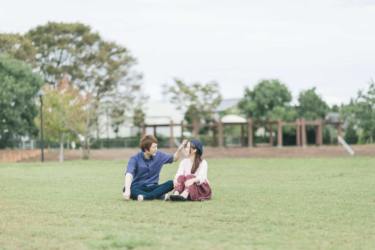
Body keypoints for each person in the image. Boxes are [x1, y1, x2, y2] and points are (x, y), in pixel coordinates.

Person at [122, 135, 186, 201]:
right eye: (154, 147)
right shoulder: (134, 158)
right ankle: (159, 196)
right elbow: (129, 174)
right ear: (146, 149)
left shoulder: (159, 155)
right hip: (138, 187)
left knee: (172, 183)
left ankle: (146, 197)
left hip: (153, 187)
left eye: (156, 146)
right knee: (126, 188)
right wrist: (127, 190)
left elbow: (174, 158)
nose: (156, 149)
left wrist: (179, 149)